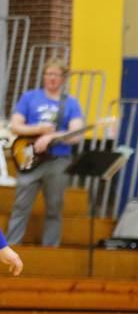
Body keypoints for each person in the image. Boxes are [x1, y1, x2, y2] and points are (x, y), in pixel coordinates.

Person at [7, 57, 84, 246]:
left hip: (58, 159)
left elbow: (76, 134)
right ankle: (11, 248)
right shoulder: (29, 97)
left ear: (63, 79)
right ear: (43, 76)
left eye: (56, 75)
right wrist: (38, 129)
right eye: (49, 74)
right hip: (30, 158)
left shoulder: (71, 103)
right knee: (20, 205)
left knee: (54, 207)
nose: (52, 78)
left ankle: (50, 249)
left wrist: (52, 136)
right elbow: (15, 125)